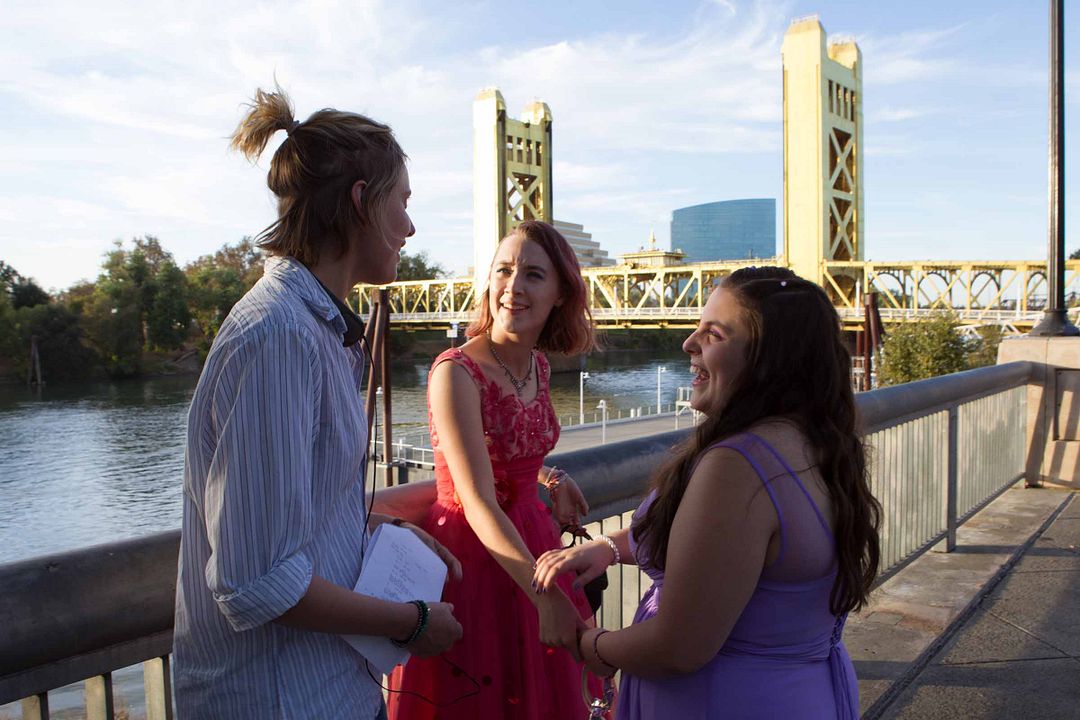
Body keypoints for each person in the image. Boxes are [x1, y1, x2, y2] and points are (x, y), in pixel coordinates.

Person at [173, 86, 463, 720]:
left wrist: (383, 532)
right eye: (403, 204)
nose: (410, 229)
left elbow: (292, 522)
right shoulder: (278, 337)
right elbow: (254, 581)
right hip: (280, 699)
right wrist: (410, 622)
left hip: (324, 688)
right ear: (361, 202)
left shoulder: (318, 331)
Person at [533, 266, 882, 719]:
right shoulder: (818, 444)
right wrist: (609, 548)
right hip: (804, 691)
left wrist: (592, 644)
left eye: (713, 334)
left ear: (768, 359)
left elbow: (679, 646)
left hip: (724, 700)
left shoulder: (739, 468)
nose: (688, 344)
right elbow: (721, 554)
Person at [388, 220, 604, 719]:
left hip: (534, 535)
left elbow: (512, 452)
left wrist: (550, 477)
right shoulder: (455, 373)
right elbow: (478, 497)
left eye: (533, 275)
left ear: (559, 294)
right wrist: (543, 594)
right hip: (476, 554)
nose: (513, 286)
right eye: (504, 270)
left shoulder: (538, 366)